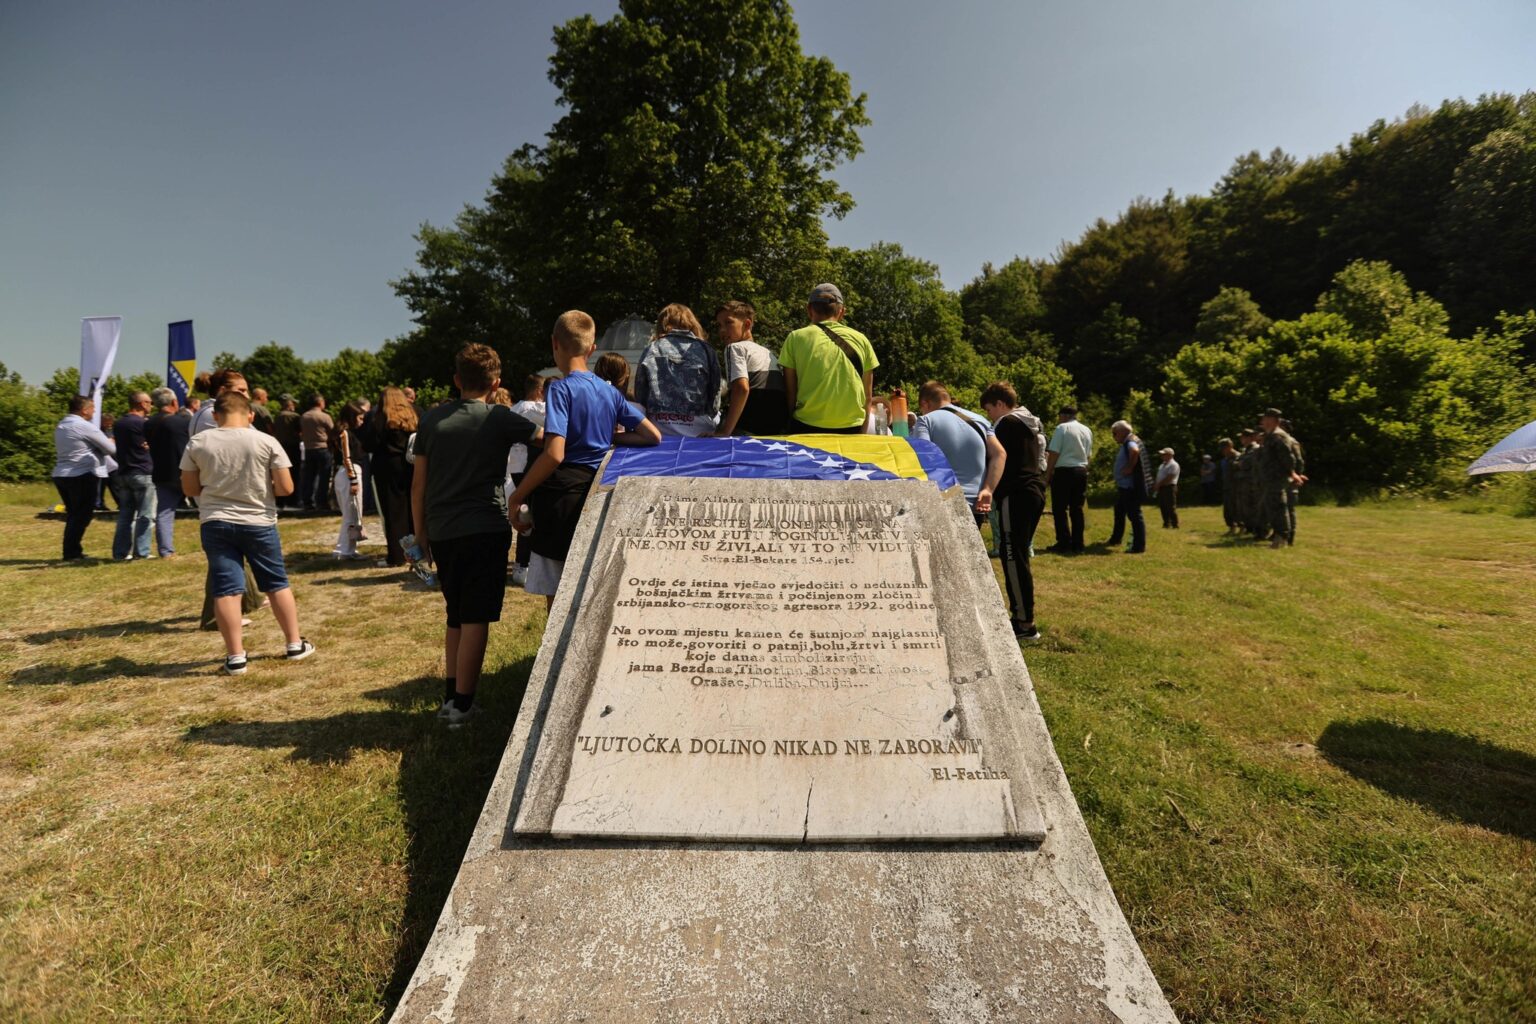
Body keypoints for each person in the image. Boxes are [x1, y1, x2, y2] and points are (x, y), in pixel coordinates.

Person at [411, 343, 544, 726]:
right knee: (476, 618)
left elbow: (418, 485)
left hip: (441, 530)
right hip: (484, 527)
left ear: (456, 380)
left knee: (455, 614)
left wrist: (420, 536)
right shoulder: (499, 418)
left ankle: (452, 696)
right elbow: (549, 440)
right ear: (496, 382)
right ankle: (464, 707)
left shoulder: (432, 420)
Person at [509, 311, 660, 612]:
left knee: (556, 594)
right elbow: (652, 435)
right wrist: (608, 437)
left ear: (554, 343)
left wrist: (518, 495)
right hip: (597, 492)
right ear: (592, 349)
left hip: (560, 496)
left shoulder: (560, 389)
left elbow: (554, 453)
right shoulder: (608, 391)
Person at [179, 391, 315, 674]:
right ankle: (293, 644)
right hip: (259, 521)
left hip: (215, 521)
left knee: (226, 588)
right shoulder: (266, 441)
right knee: (276, 582)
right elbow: (286, 488)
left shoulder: (198, 442)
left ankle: (235, 656)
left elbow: (190, 489)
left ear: (215, 415)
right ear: (250, 414)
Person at [981, 382, 1047, 641]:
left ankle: (1024, 623)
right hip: (1034, 490)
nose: (989, 416)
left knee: (1012, 556)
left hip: (1016, 494)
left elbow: (996, 458)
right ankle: (1022, 617)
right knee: (1018, 554)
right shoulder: (1031, 423)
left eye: (989, 410)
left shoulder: (1007, 424)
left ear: (999, 404)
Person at [779, 283, 877, 434]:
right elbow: (868, 397)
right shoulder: (862, 340)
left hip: (807, 426)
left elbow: (790, 392)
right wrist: (862, 433)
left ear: (809, 309)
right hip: (851, 427)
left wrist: (790, 424)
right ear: (842, 312)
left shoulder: (795, 338)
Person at [910, 381, 1004, 520]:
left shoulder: (925, 420)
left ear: (925, 404)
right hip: (977, 504)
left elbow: (923, 458)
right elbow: (999, 454)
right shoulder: (981, 420)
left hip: (943, 502)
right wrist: (988, 489)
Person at [634, 304, 720, 436]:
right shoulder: (706, 350)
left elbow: (640, 391)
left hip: (659, 425)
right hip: (698, 426)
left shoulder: (652, 348)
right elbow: (715, 391)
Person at [51, 395, 116, 560]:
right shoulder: (84, 426)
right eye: (92, 408)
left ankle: (71, 550)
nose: (94, 412)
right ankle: (71, 552)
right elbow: (110, 449)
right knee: (82, 515)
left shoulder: (62, 425)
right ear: (84, 410)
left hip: (61, 474)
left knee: (74, 514)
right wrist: (110, 440)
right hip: (81, 474)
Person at [713, 300, 788, 437]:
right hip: (775, 430)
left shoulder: (734, 348)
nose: (722, 330)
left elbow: (741, 388)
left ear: (747, 324)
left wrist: (725, 431)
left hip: (747, 428)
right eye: (719, 325)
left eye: (728, 323)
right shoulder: (768, 353)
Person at [369, 386, 418, 568]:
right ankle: (417, 553)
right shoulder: (413, 414)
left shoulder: (381, 418)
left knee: (392, 511)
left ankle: (397, 556)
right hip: (409, 464)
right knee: (413, 510)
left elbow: (369, 443)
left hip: (387, 466)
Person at [506, 374, 546, 584]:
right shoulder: (536, 410)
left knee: (526, 512)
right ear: (540, 391)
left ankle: (524, 563)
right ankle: (524, 564)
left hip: (515, 466)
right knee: (529, 514)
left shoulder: (514, 409)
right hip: (530, 467)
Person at [109, 391, 157, 560]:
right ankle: (142, 552)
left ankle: (120, 553)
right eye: (150, 402)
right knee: (146, 515)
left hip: (123, 472)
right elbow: (149, 445)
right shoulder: (142, 424)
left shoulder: (119, 423)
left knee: (125, 516)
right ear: (142, 404)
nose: (152, 405)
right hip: (142, 472)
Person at [146, 387, 191, 557]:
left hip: (161, 472)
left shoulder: (148, 423)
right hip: (185, 472)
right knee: (208, 507)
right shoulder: (182, 422)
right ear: (174, 402)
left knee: (164, 512)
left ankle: (165, 551)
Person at [1045, 406, 1093, 553]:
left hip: (1064, 471)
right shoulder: (1086, 430)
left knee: (1059, 509)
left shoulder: (1062, 428)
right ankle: (1078, 544)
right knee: (1077, 509)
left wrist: (1048, 473)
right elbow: (1088, 455)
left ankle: (1064, 542)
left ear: (1063, 415)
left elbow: (1054, 453)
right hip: (1081, 471)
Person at [1258, 408, 1305, 548]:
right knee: (1273, 507)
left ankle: (1282, 538)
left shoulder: (1278, 436)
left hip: (1277, 477)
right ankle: (1280, 537)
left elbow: (1288, 457)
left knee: (1278, 507)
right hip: (1271, 477)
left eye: (1265, 418)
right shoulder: (1271, 435)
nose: (1262, 421)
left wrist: (1292, 473)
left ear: (1272, 420)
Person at [329, 402, 367, 559]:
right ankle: (345, 550)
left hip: (345, 473)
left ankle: (347, 547)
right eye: (359, 418)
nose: (361, 421)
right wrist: (353, 480)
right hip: (349, 473)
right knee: (351, 512)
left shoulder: (344, 432)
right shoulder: (344, 433)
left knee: (351, 512)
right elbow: (347, 457)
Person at [1106, 420, 1146, 554]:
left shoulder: (1130, 442)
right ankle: (1115, 539)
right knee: (1119, 510)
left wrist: (1129, 468)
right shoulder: (1130, 440)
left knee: (1135, 515)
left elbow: (1134, 451)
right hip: (1126, 486)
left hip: (1130, 487)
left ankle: (1138, 547)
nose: (1114, 436)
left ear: (1122, 432)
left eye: (1114, 433)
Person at [299, 393, 334, 511]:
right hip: (322, 447)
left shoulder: (304, 416)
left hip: (309, 449)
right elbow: (332, 431)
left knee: (309, 476)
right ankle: (322, 501)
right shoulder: (324, 416)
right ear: (320, 403)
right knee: (324, 476)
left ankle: (307, 501)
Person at [272, 395, 302, 509]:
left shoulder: (278, 416)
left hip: (281, 446)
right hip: (293, 446)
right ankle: (293, 501)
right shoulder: (294, 416)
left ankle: (280, 501)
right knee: (295, 474)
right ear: (290, 405)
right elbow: (299, 431)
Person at [1217, 438, 1241, 534]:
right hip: (1227, 486)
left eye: (1224, 448)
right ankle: (1232, 527)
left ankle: (1242, 527)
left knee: (1237, 508)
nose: (1222, 451)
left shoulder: (1238, 457)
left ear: (1230, 446)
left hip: (1237, 487)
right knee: (1228, 508)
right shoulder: (1226, 459)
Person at [1152, 448, 1181, 529]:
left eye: (1164, 454)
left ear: (1170, 455)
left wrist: (1158, 484)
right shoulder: (1162, 465)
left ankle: (1175, 524)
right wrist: (1156, 484)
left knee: (1170, 506)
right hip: (1162, 487)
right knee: (1163, 506)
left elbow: (1170, 477)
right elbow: (1159, 476)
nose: (1162, 456)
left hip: (1169, 487)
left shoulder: (1174, 465)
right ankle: (1166, 523)